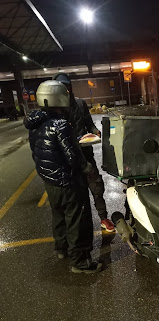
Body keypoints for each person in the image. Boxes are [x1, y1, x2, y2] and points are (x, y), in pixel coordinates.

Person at [24, 80, 102, 273]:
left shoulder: (35, 124)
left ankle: (61, 249)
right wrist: (87, 167)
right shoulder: (60, 124)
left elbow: (42, 149)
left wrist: (72, 142)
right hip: (67, 181)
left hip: (50, 180)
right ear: (60, 98)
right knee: (77, 219)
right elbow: (72, 157)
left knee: (58, 214)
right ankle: (80, 262)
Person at [53, 73, 115, 233]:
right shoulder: (54, 109)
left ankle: (104, 218)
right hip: (68, 161)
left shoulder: (80, 104)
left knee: (96, 187)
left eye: (67, 87)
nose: (65, 90)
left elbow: (89, 124)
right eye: (61, 87)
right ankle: (82, 225)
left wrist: (95, 132)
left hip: (86, 155)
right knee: (76, 194)